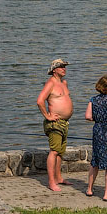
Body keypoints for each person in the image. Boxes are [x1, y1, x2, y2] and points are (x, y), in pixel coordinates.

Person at [36, 58, 72, 192]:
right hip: (55, 123)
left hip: (64, 123)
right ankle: (51, 182)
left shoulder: (64, 83)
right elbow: (40, 100)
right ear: (54, 70)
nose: (64, 69)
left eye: (65, 66)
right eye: (61, 66)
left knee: (60, 152)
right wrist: (47, 116)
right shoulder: (50, 83)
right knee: (54, 151)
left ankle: (59, 178)